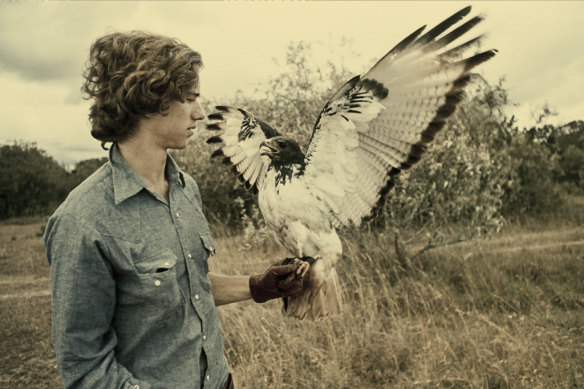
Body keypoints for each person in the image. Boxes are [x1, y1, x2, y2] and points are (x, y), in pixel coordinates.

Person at [43, 31, 305, 389]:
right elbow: (84, 365)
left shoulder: (185, 190)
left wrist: (258, 286)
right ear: (147, 100)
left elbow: (187, 288)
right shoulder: (83, 221)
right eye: (189, 98)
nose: (199, 112)